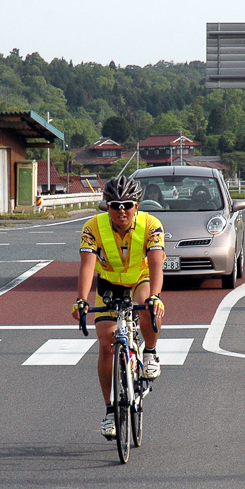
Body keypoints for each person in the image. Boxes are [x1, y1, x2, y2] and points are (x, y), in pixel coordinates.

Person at [71, 175, 165, 439]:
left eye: (127, 205)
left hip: (140, 279)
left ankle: (150, 353)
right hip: (110, 283)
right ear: (107, 206)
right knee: (106, 344)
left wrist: (156, 296)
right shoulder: (92, 227)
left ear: (137, 205)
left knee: (146, 306)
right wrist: (81, 299)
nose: (121, 210)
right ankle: (111, 411)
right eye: (114, 205)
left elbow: (156, 265)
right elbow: (87, 266)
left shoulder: (152, 225)